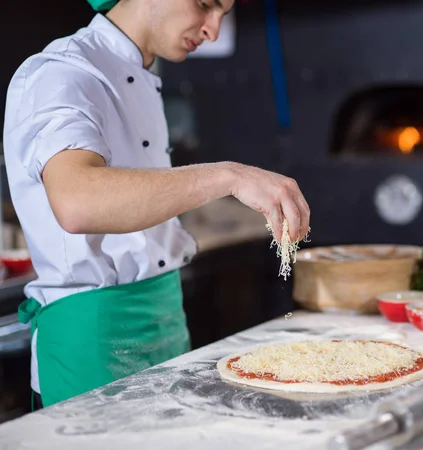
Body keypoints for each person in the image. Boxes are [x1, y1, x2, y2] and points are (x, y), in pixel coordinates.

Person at [2, 0, 310, 410]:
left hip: (165, 323)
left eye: (224, 14)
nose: (213, 30)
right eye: (205, 5)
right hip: (93, 340)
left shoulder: (141, 74)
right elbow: (77, 202)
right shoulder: (61, 74)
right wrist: (229, 176)